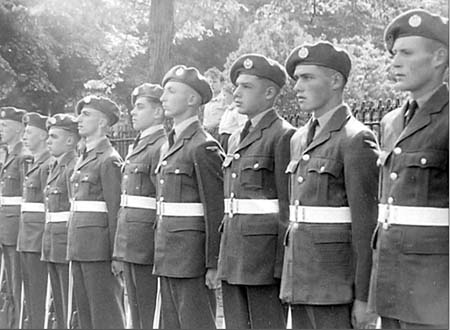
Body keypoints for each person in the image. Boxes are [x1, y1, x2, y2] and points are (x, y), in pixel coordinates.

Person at [280, 41, 379, 329]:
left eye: (307, 77)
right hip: (300, 281)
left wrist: (363, 298)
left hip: (335, 288)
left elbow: (366, 227)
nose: (297, 87)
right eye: (296, 78)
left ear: (336, 81)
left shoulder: (355, 139)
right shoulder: (298, 139)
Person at [368, 9, 449, 329]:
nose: (395, 63)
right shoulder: (390, 122)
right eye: (393, 54)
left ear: (439, 57)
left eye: (406, 53)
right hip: (392, 283)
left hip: (436, 292)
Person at [217, 54, 295, 329]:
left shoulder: (283, 135)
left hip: (263, 263)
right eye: (236, 86)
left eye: (246, 86)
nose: (236, 93)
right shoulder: (237, 137)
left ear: (270, 92)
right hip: (234, 256)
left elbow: (287, 206)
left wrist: (281, 267)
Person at [154, 64, 224, 329]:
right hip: (168, 255)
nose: (163, 98)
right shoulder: (168, 145)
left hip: (191, 259)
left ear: (193, 99)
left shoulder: (202, 146)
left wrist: (213, 263)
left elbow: (215, 208)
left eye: (171, 91)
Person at [112, 83, 166, 328]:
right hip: (132, 243)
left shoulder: (160, 146)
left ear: (158, 112)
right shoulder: (138, 144)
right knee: (136, 315)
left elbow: (162, 200)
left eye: (140, 107)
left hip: (147, 246)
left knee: (149, 313)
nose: (133, 112)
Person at [68, 95, 124, 329]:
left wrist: (116, 254)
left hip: (99, 251)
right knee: (87, 317)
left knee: (106, 316)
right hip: (80, 248)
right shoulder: (84, 158)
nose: (79, 119)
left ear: (103, 122)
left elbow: (115, 210)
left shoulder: (109, 159)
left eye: (86, 114)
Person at [42, 113, 79, 328]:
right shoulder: (55, 166)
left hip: (65, 244)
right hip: (53, 244)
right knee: (59, 302)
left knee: (69, 303)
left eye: (54, 137)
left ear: (70, 140)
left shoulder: (72, 167)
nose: (48, 141)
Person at [17, 112, 52, 328]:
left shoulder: (47, 165)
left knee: (39, 296)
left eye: (29, 132)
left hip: (39, 240)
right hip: (27, 239)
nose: (24, 137)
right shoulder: (34, 164)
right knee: (30, 296)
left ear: (42, 136)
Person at [0, 106, 26, 328]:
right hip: (5, 229)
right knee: (7, 284)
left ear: (19, 130)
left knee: (18, 285)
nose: (0, 129)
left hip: (17, 229)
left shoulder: (23, 157)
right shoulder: (8, 155)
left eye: (5, 126)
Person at [217, 83, 247, 153]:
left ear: (232, 95)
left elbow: (243, 125)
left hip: (229, 138)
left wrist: (235, 137)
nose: (223, 98)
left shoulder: (236, 110)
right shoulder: (228, 110)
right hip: (222, 138)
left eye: (225, 95)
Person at [203, 67, 226, 139]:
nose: (211, 85)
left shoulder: (225, 100)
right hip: (206, 132)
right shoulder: (206, 99)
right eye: (209, 82)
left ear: (221, 83)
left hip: (218, 133)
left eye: (214, 82)